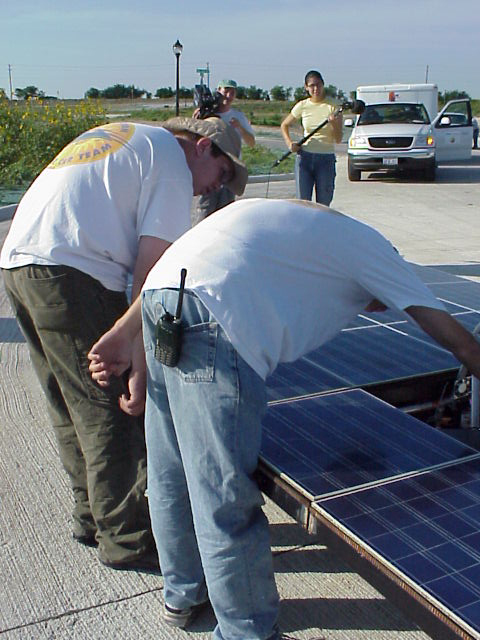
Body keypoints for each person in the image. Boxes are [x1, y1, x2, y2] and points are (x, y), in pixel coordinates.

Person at [88, 198, 480, 638]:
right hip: (217, 318)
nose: (375, 309)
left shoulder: (307, 221)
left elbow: (175, 270)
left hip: (164, 299)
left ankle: (183, 594)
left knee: (170, 471)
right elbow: (456, 339)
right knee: (222, 491)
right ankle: (246, 629)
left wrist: (124, 331)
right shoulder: (375, 252)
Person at [0, 116, 247, 572]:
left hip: (20, 265)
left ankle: (91, 516)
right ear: (203, 147)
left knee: (69, 403)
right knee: (108, 409)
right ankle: (126, 537)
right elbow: (150, 275)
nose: (216, 188)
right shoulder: (172, 161)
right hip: (73, 273)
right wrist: (137, 354)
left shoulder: (129, 137)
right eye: (223, 173)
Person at [194, 79, 255, 224]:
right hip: (209, 171)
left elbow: (251, 142)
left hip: (230, 171)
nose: (228, 95)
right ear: (218, 91)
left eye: (232, 92)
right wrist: (196, 119)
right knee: (205, 214)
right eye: (226, 91)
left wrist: (239, 127)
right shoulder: (207, 114)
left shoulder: (238, 116)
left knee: (226, 216)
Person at [281, 70, 343, 205]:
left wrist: (334, 124)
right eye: (312, 86)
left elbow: (338, 139)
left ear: (323, 85)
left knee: (323, 204)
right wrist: (290, 143)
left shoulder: (334, 106)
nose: (316, 89)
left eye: (318, 85)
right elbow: (284, 125)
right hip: (305, 158)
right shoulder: (302, 106)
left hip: (325, 159)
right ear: (306, 87)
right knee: (303, 204)